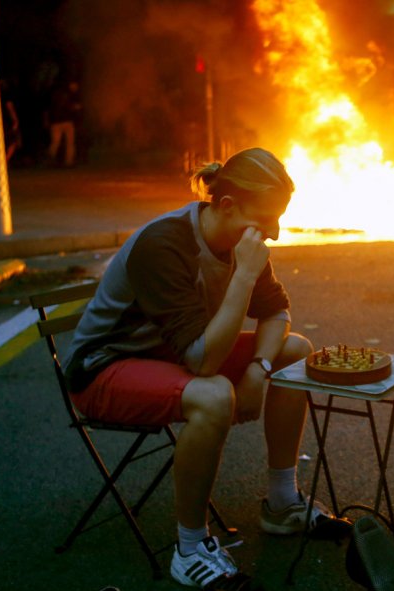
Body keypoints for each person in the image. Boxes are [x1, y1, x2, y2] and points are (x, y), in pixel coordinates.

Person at [62, 148, 350, 588]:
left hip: (172, 354)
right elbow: (204, 361)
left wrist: (259, 368)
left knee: (295, 352)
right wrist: (242, 279)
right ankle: (190, 547)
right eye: (267, 218)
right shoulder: (165, 244)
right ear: (228, 206)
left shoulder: (243, 239)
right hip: (105, 367)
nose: (273, 233)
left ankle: (281, 503)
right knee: (214, 394)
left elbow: (277, 313)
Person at [45, 80, 81, 167]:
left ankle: (50, 159)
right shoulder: (69, 95)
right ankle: (68, 161)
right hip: (66, 121)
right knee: (70, 142)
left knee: (55, 142)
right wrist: (75, 108)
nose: (76, 87)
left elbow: (48, 108)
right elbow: (68, 107)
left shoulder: (53, 95)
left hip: (56, 122)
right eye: (75, 85)